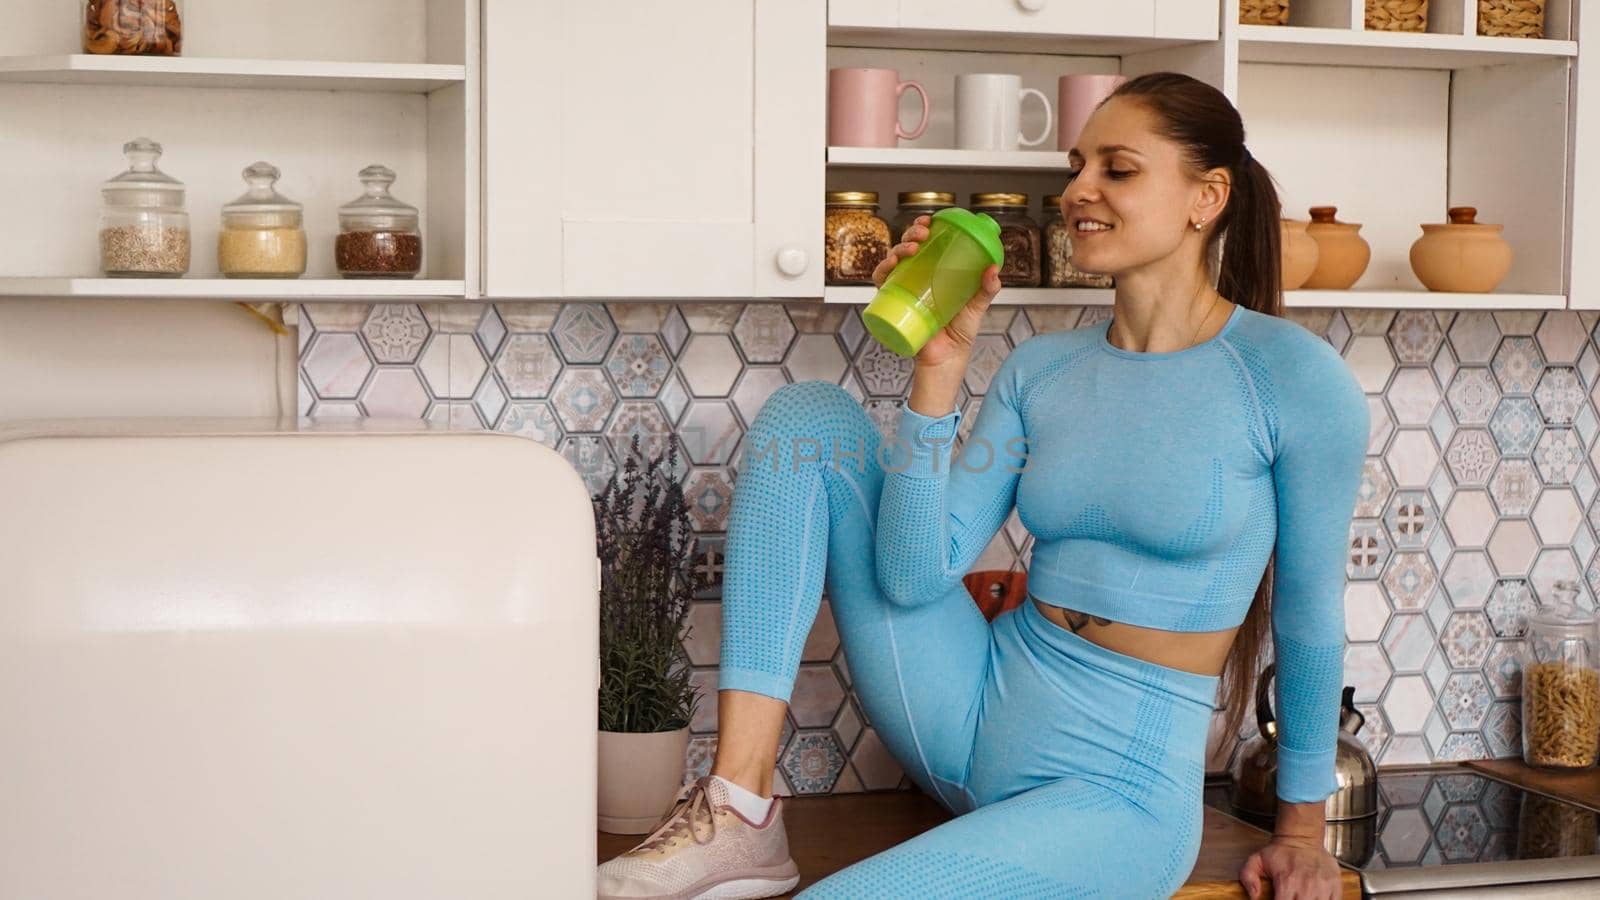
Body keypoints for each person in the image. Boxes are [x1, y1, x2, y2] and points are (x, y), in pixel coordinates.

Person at [597, 70, 1367, 900]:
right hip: (964, 712)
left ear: (1206, 195)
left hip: (1116, 792)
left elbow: (1310, 617)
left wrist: (1301, 833)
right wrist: (941, 367)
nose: (1078, 190)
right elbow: (915, 575)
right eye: (1077, 166)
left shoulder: (1292, 378)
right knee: (809, 419)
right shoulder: (1043, 370)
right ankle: (740, 811)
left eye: (1118, 168)